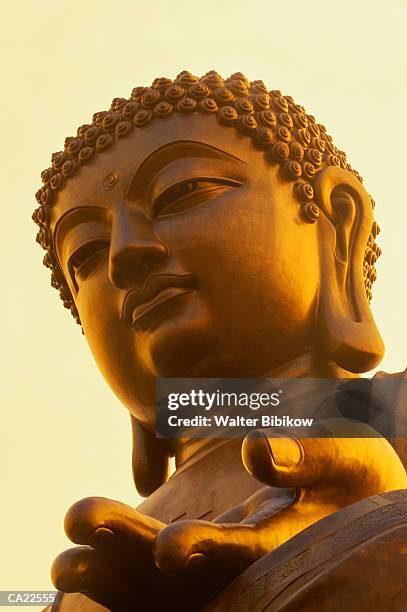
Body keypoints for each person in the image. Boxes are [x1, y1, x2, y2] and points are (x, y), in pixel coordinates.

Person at [34, 71, 407, 611]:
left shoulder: (392, 413)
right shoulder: (97, 574)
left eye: (182, 192)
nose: (124, 255)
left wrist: (376, 526)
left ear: (338, 224)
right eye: (86, 252)